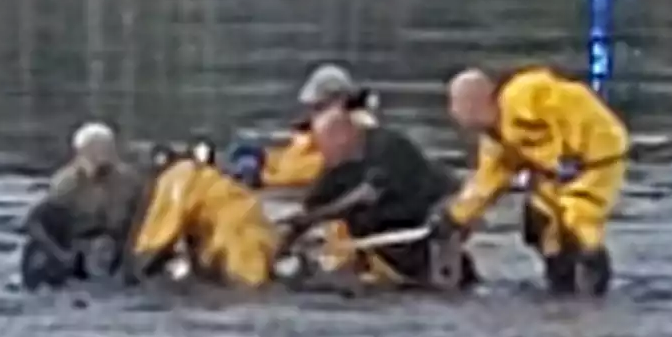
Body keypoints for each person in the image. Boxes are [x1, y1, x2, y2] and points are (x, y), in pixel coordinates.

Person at [430, 66, 629, 297]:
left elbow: (570, 104)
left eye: (457, 104)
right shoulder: (497, 142)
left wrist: (570, 149)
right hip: (552, 172)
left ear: (475, 101)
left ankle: (594, 285)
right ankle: (560, 285)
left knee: (578, 219)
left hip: (594, 160)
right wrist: (454, 218)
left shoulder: (523, 94)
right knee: (540, 223)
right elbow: (487, 184)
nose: (454, 112)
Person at [276, 98, 478, 292]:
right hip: (390, 247)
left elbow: (368, 194)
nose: (323, 153)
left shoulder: (387, 146)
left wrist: (317, 216)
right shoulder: (336, 170)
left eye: (325, 145)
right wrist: (281, 248)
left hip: (430, 225)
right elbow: (309, 211)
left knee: (442, 283)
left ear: (344, 134)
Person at [125, 137, 280, 288]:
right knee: (256, 288)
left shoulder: (176, 177)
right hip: (259, 236)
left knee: (242, 293)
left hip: (234, 239)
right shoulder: (216, 180)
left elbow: (159, 238)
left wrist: (136, 277)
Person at [19, 121, 147, 289]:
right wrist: (61, 255)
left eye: (105, 149)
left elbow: (144, 217)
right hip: (74, 246)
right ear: (80, 153)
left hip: (116, 245)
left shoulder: (130, 182)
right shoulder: (66, 183)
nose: (100, 156)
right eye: (93, 151)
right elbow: (36, 223)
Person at [229, 63, 380, 190]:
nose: (310, 112)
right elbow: (291, 157)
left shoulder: (348, 133)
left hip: (296, 179)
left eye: (317, 107)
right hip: (290, 169)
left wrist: (258, 178)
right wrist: (262, 157)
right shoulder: (313, 131)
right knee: (243, 151)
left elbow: (296, 174)